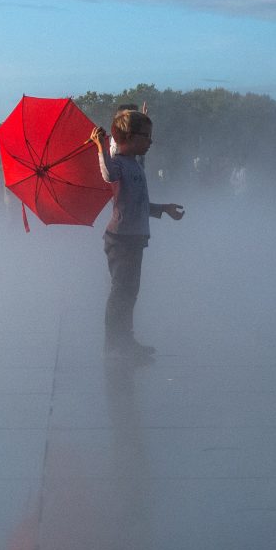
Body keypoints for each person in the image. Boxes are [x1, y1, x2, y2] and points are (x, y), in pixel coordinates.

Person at [91, 106, 185, 361]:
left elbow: (139, 204)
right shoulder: (119, 165)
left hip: (134, 238)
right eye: (146, 136)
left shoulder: (135, 165)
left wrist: (163, 209)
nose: (151, 142)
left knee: (130, 292)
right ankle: (113, 345)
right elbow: (108, 174)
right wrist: (100, 146)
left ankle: (126, 340)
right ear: (130, 137)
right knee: (121, 292)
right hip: (120, 239)